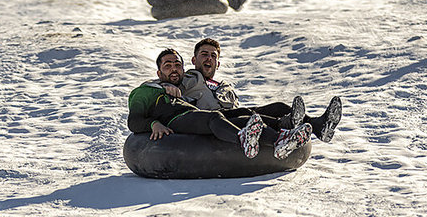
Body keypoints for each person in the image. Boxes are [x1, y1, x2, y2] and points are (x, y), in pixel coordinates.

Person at [128, 49, 313, 160]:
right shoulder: (145, 91)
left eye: (177, 65)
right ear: (159, 73)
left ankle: (279, 140)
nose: (174, 69)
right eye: (168, 66)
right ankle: (242, 140)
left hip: (191, 115)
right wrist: (153, 123)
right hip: (175, 120)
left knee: (243, 117)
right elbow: (133, 120)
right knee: (214, 117)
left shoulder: (180, 91)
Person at [179, 38, 343, 142]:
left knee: (278, 107)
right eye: (204, 54)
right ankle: (286, 125)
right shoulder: (185, 79)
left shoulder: (224, 87)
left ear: (218, 63)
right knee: (247, 114)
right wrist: (167, 86)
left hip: (234, 120)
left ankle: (317, 126)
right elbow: (161, 87)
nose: (209, 58)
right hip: (210, 122)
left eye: (213, 56)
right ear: (194, 60)